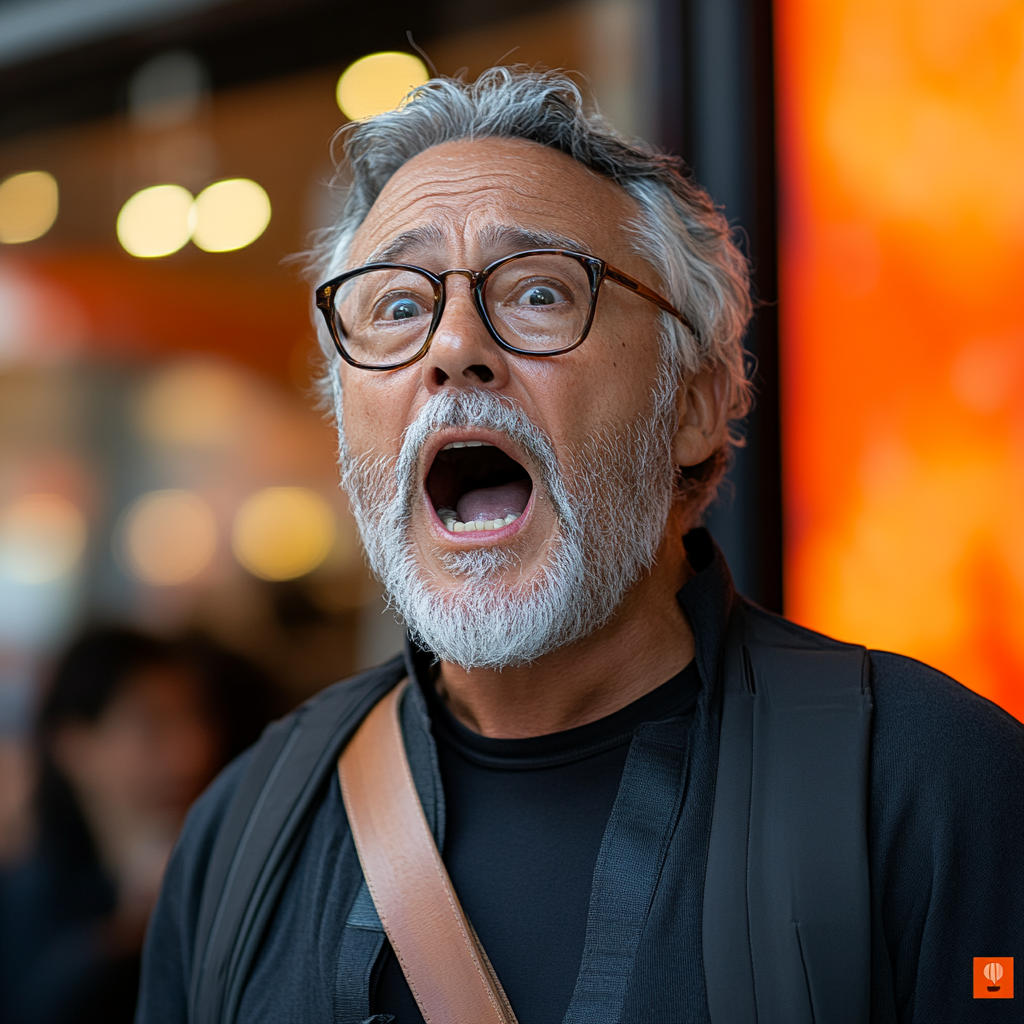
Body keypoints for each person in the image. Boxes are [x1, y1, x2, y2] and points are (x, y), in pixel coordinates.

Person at [137, 68, 1023, 1024]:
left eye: (540, 293)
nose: (451, 345)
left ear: (688, 407)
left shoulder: (932, 784)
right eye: (397, 307)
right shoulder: (247, 829)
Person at [0, 627, 276, 1024]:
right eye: (150, 724)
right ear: (73, 743)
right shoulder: (25, 901)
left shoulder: (240, 877)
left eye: (197, 718)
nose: (191, 754)